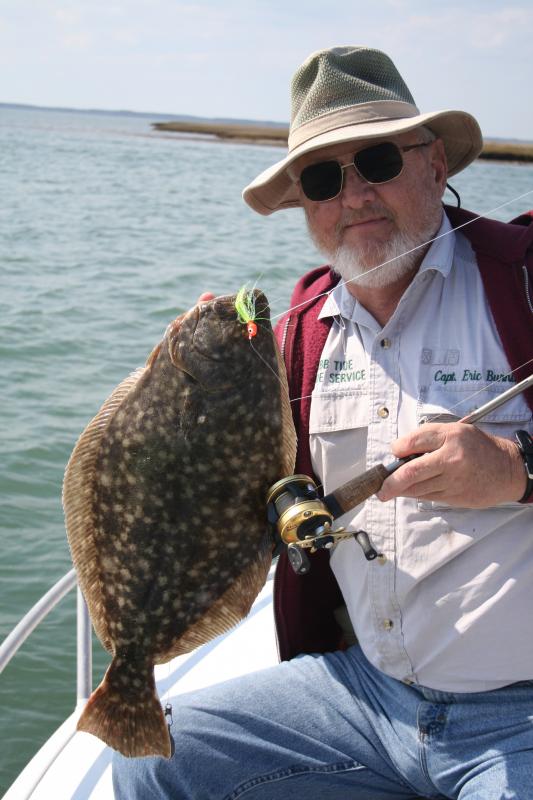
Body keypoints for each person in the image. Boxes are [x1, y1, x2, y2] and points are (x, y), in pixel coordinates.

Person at [113, 46, 533, 799]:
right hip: (366, 698)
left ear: (435, 163)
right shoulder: (295, 341)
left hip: (520, 717)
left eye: (376, 159)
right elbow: (228, 503)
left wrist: (513, 470)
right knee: (150, 762)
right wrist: (177, 403)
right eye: (321, 178)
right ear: (303, 204)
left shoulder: (521, 281)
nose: (354, 195)